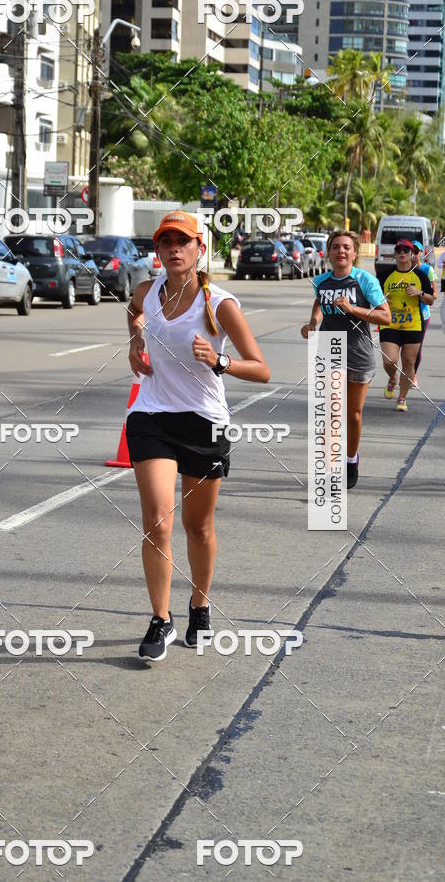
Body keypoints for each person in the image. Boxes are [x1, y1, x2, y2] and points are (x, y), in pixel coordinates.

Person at [125, 211, 270, 661]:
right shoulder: (147, 292)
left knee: (198, 526)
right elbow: (134, 313)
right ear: (158, 250)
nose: (173, 249)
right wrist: (135, 340)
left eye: (182, 242)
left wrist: (219, 361)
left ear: (198, 248)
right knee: (157, 521)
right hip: (151, 415)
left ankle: (200, 605)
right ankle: (161, 619)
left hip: (205, 422)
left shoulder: (220, 303)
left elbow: (262, 370)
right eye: (166, 242)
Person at [300, 230, 390, 490]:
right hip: (329, 352)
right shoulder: (321, 281)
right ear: (328, 252)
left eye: (346, 247)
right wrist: (312, 324)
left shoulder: (365, 281)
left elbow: (386, 317)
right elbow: (319, 303)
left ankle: (351, 459)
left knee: (353, 414)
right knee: (332, 413)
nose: (341, 251)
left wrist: (353, 309)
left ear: (354, 253)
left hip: (359, 353)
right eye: (336, 247)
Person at [379, 239, 434, 413]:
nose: (402, 252)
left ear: (412, 254)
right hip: (390, 323)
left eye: (406, 250)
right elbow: (372, 294)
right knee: (390, 361)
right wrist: (380, 298)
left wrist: (419, 293)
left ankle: (402, 398)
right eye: (399, 249)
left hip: (413, 325)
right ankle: (392, 378)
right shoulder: (384, 274)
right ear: (395, 254)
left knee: (409, 363)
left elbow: (431, 300)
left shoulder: (420, 276)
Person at [411, 240, 437, 384]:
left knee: (417, 347)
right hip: (404, 314)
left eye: (416, 251)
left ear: (421, 253)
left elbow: (434, 295)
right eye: (411, 251)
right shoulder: (403, 270)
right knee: (403, 349)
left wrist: (420, 294)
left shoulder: (428, 270)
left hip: (422, 315)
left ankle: (413, 374)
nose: (413, 255)